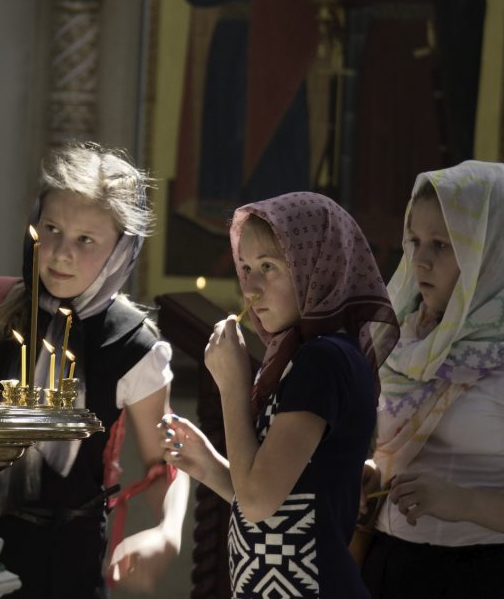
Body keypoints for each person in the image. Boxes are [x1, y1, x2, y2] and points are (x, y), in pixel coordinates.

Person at [0, 141, 189, 598]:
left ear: (122, 249)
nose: (61, 253)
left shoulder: (134, 345)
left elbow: (168, 462)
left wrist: (168, 533)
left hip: (66, 560)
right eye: (52, 229)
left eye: (85, 240)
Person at [160, 192, 399, 598]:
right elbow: (287, 500)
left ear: (316, 266)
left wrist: (233, 386)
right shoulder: (301, 358)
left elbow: (257, 503)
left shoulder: (323, 360)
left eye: (268, 267)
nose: (249, 288)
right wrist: (210, 468)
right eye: (246, 267)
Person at [361, 161, 504, 598]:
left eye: (443, 244)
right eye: (414, 240)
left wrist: (466, 503)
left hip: (480, 580)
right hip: (385, 568)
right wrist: (374, 472)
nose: (421, 259)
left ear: (493, 250)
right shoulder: (405, 338)